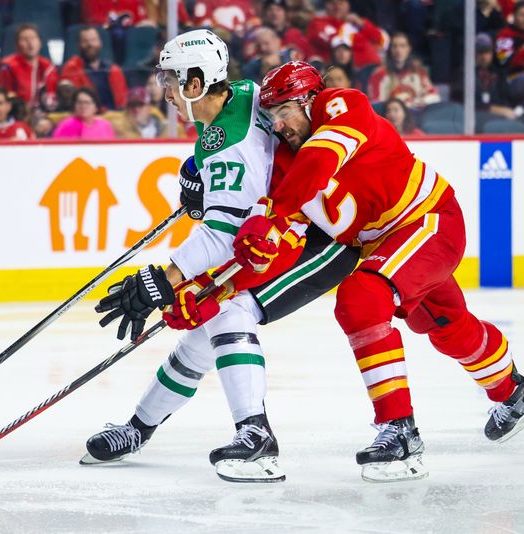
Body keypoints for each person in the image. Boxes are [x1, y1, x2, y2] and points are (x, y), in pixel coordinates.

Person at [232, 61, 524, 482]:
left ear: (309, 99)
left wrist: (270, 212)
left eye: (283, 113)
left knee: (360, 300)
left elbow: (316, 165)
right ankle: (515, 390)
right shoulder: (285, 161)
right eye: (271, 118)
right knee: (445, 326)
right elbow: (279, 236)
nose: (278, 126)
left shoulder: (342, 104)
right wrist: (217, 286)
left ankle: (398, 429)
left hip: (428, 221)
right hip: (388, 243)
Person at [80, 30, 358, 483]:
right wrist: (199, 176)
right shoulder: (245, 93)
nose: (163, 91)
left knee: (227, 310)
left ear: (195, 83)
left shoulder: (225, 143)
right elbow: (259, 162)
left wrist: (161, 280)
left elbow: (224, 234)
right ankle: (139, 428)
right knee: (205, 322)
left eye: (170, 80)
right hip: (288, 230)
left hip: (322, 239)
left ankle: (256, 437)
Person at [59, 26, 128, 111]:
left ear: (100, 43)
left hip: (114, 116)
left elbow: (123, 103)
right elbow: (74, 102)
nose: (90, 44)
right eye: (85, 41)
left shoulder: (114, 70)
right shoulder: (71, 68)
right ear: (78, 45)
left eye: (93, 40)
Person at [0, 23, 58, 111]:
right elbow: (3, 98)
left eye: (33, 38)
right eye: (24, 39)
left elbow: (53, 96)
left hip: (46, 113)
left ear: (40, 42)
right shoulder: (7, 66)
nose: (30, 43)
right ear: (17, 45)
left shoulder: (49, 67)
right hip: (18, 115)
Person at [366, 32, 440, 109]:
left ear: (409, 49)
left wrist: (418, 101)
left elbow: (435, 97)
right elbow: (375, 104)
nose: (398, 51)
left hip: (415, 117)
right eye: (395, 46)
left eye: (403, 46)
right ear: (390, 50)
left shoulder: (418, 72)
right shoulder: (378, 74)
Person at [306, 0, 385, 69]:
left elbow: (381, 40)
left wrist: (362, 24)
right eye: (332, 3)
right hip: (338, 73)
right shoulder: (318, 23)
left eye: (341, 3)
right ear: (326, 5)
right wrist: (363, 40)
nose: (337, 7)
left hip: (373, 70)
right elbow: (337, 43)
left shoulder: (358, 22)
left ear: (348, 4)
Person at [109, 86, 173, 138]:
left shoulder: (164, 127)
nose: (136, 109)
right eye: (132, 105)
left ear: (149, 107)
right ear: (127, 108)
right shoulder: (119, 126)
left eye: (140, 105)